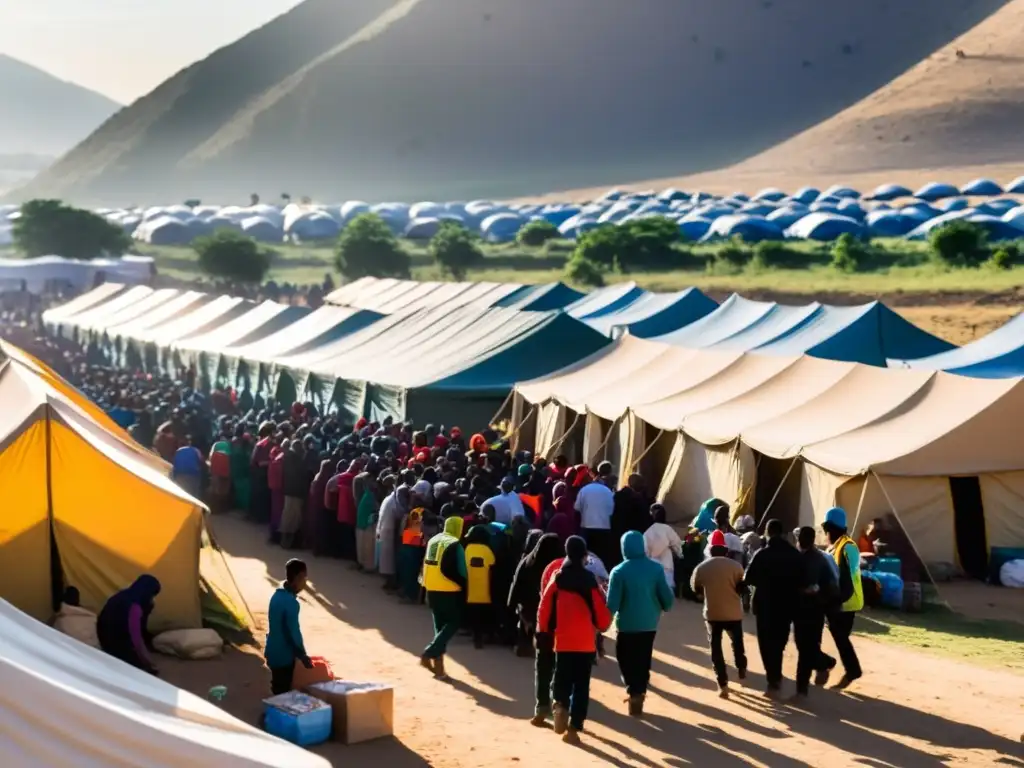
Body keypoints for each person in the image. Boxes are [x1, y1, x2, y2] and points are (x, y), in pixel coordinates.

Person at [538, 536, 613, 745]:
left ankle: (560, 705)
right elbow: (601, 611)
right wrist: (604, 626)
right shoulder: (591, 581)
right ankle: (574, 728)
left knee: (561, 677)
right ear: (584, 555)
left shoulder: (557, 577)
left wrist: (544, 630)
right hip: (585, 642)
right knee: (581, 685)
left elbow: (544, 606)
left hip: (561, 639)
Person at [606, 530, 674, 716]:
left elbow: (612, 604)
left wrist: (603, 622)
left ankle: (633, 690)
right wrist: (667, 605)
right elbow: (666, 598)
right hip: (649, 625)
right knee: (643, 659)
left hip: (626, 626)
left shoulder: (618, 572)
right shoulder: (656, 569)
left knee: (624, 658)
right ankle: (639, 691)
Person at [743, 518, 803, 696]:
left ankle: (773, 679)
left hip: (765, 606)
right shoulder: (794, 554)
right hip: (787, 605)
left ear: (768, 533)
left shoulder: (762, 554)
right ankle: (776, 675)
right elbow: (802, 578)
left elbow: (749, 578)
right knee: (779, 642)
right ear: (783, 533)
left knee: (766, 643)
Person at [691, 531, 746, 698]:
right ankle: (741, 666)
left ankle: (722, 684)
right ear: (726, 550)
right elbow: (742, 588)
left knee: (716, 649)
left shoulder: (702, 568)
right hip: (734, 613)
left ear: (711, 549)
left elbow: (695, 588)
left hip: (713, 613)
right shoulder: (736, 567)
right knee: (737, 642)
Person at [794, 526, 839, 698]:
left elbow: (830, 585)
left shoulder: (820, 560)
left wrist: (817, 592)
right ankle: (824, 663)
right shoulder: (798, 557)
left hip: (814, 609)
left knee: (807, 648)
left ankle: (801, 690)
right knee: (803, 646)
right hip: (801, 609)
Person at [823, 507, 864, 690]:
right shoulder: (839, 545)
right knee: (840, 636)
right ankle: (851, 670)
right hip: (843, 600)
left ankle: (852, 670)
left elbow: (847, 577)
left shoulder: (847, 546)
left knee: (840, 636)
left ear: (831, 528)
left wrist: (837, 601)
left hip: (846, 601)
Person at [421, 516, 467, 680]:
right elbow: (462, 571)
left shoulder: (434, 540)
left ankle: (439, 670)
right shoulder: (455, 544)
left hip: (430, 587)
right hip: (448, 589)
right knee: (454, 622)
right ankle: (429, 653)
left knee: (439, 628)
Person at [96, 575, 162, 675]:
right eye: (152, 595)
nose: (152, 599)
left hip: (104, 638)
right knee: (140, 668)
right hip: (115, 643)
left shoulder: (123, 595)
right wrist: (148, 661)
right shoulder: (135, 607)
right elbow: (136, 639)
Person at [265, 559, 313, 695]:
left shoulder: (277, 595)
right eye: (304, 578)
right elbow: (292, 632)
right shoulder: (291, 603)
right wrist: (302, 655)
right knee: (283, 691)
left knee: (276, 686)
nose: (305, 582)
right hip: (283, 655)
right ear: (297, 578)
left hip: (272, 650)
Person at [575, 462, 615, 569]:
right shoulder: (608, 491)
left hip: (587, 528)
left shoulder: (584, 490)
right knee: (602, 558)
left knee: (587, 558)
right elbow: (611, 511)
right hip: (604, 529)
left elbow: (577, 507)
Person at [464, 524, 497, 648]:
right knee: (484, 616)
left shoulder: (467, 549)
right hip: (485, 591)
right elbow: (493, 566)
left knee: (474, 617)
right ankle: (486, 636)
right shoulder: (487, 550)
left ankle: (476, 638)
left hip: (470, 591)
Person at [378, 485, 410, 591]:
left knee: (387, 559)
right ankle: (391, 583)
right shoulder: (394, 502)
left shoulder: (390, 499)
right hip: (389, 531)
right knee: (390, 559)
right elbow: (401, 513)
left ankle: (389, 582)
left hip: (386, 530)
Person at [643, 504, 683, 589]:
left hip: (652, 567)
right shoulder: (668, 529)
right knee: (667, 592)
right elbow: (677, 545)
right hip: (667, 564)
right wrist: (680, 555)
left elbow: (645, 551)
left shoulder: (648, 532)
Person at [397, 506, 428, 602]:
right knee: (409, 572)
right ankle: (408, 593)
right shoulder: (413, 517)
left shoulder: (416, 517)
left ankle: (411, 596)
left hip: (412, 549)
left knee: (411, 573)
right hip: (410, 548)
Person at [280, 439, 307, 549]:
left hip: (289, 490)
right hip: (296, 492)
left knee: (287, 515)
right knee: (294, 517)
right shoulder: (296, 460)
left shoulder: (287, 457)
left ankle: (284, 541)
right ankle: (288, 542)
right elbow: (301, 475)